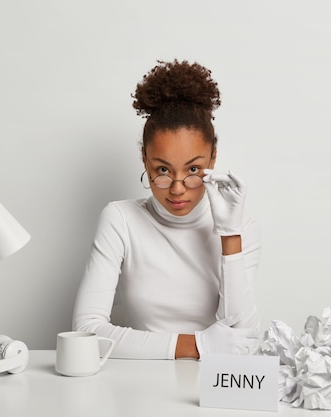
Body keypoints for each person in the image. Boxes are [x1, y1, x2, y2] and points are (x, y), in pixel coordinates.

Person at [72, 60, 260, 360]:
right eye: (162, 169)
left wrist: (229, 236)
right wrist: (198, 345)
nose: (176, 188)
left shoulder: (242, 229)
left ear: (213, 159)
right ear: (144, 159)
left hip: (213, 388)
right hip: (142, 384)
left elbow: (243, 338)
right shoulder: (120, 220)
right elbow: (86, 332)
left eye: (193, 169)